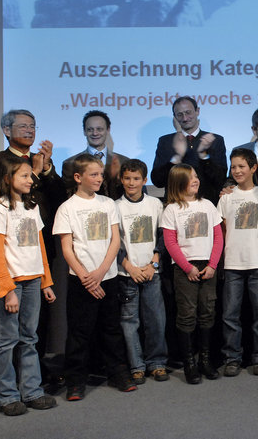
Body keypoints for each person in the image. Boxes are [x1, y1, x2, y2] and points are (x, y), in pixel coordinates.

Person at [0, 109, 65, 383]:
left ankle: (35, 374)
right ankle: (11, 380)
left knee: (37, 321)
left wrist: (47, 168)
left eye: (33, 126)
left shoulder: (41, 161)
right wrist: (36, 173)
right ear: (6, 130)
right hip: (10, 255)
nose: (30, 130)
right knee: (10, 325)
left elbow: (59, 197)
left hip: (38, 249)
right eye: (24, 126)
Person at [52, 154, 136, 401]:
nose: (99, 178)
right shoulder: (67, 208)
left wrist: (101, 273)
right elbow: (67, 249)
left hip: (107, 277)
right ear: (78, 177)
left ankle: (118, 373)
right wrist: (86, 277)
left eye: (101, 174)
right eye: (94, 174)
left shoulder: (107, 204)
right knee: (80, 332)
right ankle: (76, 380)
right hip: (82, 281)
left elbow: (115, 241)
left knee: (111, 328)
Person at [0, 157, 57, 416]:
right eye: (24, 176)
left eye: (30, 176)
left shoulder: (32, 206)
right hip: (10, 282)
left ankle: (32, 391)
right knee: (7, 339)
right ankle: (6, 395)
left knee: (30, 337)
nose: (30, 180)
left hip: (33, 279)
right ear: (8, 179)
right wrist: (7, 290)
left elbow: (39, 246)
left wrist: (46, 281)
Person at [161, 164, 224, 384]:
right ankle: (189, 363)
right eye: (190, 178)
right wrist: (187, 268)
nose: (196, 180)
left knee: (208, 312)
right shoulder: (171, 210)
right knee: (187, 314)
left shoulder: (207, 205)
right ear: (179, 183)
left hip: (208, 266)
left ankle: (204, 360)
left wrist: (213, 265)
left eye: (196, 176)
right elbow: (170, 243)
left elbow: (218, 237)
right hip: (184, 268)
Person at [114, 159, 168, 384]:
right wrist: (129, 267)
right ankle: (136, 365)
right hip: (127, 274)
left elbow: (163, 237)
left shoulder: (155, 204)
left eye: (136, 179)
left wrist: (153, 264)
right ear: (121, 179)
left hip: (151, 272)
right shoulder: (115, 206)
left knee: (156, 319)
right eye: (127, 178)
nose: (131, 183)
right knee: (129, 322)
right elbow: (114, 243)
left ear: (145, 180)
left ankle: (157, 363)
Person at [217, 148, 258, 377]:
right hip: (232, 264)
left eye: (241, 166)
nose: (237, 171)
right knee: (230, 314)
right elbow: (222, 229)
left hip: (257, 262)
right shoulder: (226, 197)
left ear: (253, 168)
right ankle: (232, 357)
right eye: (233, 167)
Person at [151, 96, 227, 205]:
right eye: (180, 114)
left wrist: (203, 156)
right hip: (175, 206)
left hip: (207, 205)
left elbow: (220, 180)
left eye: (188, 112)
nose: (185, 118)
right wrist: (177, 157)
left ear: (197, 111)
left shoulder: (215, 140)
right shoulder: (165, 141)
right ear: (174, 117)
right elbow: (158, 181)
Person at [62, 110, 129, 199]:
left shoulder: (124, 161)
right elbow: (67, 196)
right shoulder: (70, 163)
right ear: (84, 131)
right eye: (90, 129)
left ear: (108, 130)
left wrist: (116, 178)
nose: (95, 133)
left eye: (99, 129)